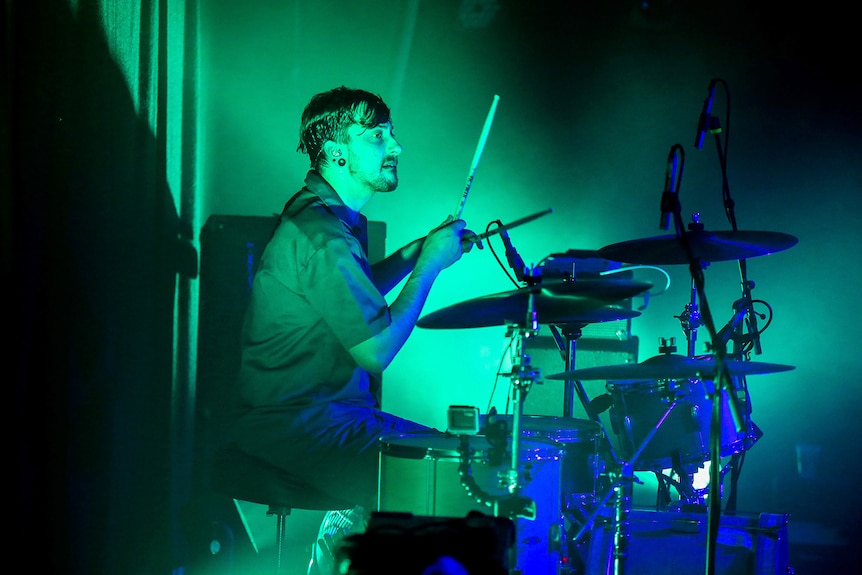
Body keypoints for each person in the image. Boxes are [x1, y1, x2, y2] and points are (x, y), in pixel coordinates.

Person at [222, 86, 481, 574]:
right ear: (338, 153)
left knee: (452, 462)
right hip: (297, 423)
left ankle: (340, 545)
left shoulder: (325, 217)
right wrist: (429, 265)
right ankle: (339, 556)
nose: (397, 147)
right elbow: (377, 349)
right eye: (379, 136)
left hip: (322, 414)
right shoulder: (324, 237)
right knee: (447, 476)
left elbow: (347, 298)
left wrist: (419, 249)